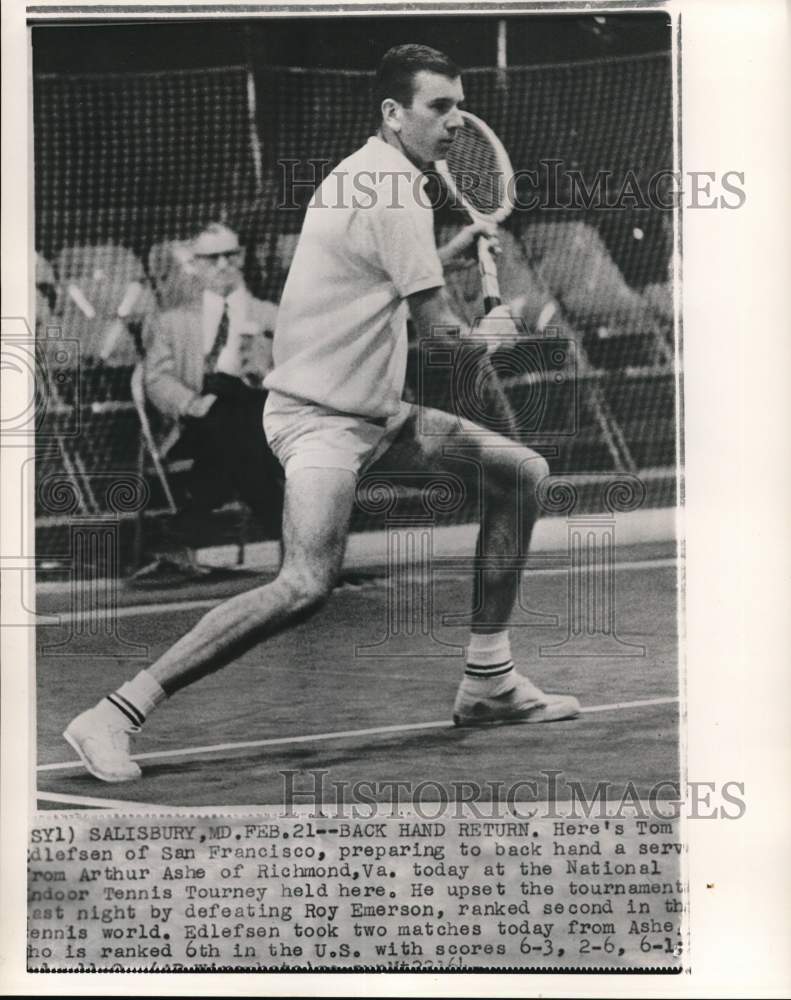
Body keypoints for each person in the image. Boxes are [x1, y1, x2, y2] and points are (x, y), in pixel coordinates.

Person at [64, 44, 580, 782]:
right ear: (392, 113)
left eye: (460, 107)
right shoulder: (394, 192)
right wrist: (496, 335)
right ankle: (113, 713)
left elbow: (374, 274)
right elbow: (441, 338)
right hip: (318, 419)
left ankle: (488, 683)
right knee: (306, 584)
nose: (456, 122)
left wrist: (454, 249)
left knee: (519, 473)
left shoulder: (368, 175)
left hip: (375, 412)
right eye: (439, 107)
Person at [134, 222, 284, 580]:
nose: (222, 265)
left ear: (242, 257)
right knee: (229, 420)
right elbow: (155, 378)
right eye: (211, 258)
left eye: (230, 255)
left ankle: (178, 534)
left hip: (258, 417)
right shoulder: (171, 322)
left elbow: (292, 370)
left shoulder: (270, 316)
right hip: (195, 423)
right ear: (196, 264)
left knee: (235, 415)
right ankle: (291, 539)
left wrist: (264, 371)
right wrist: (190, 403)